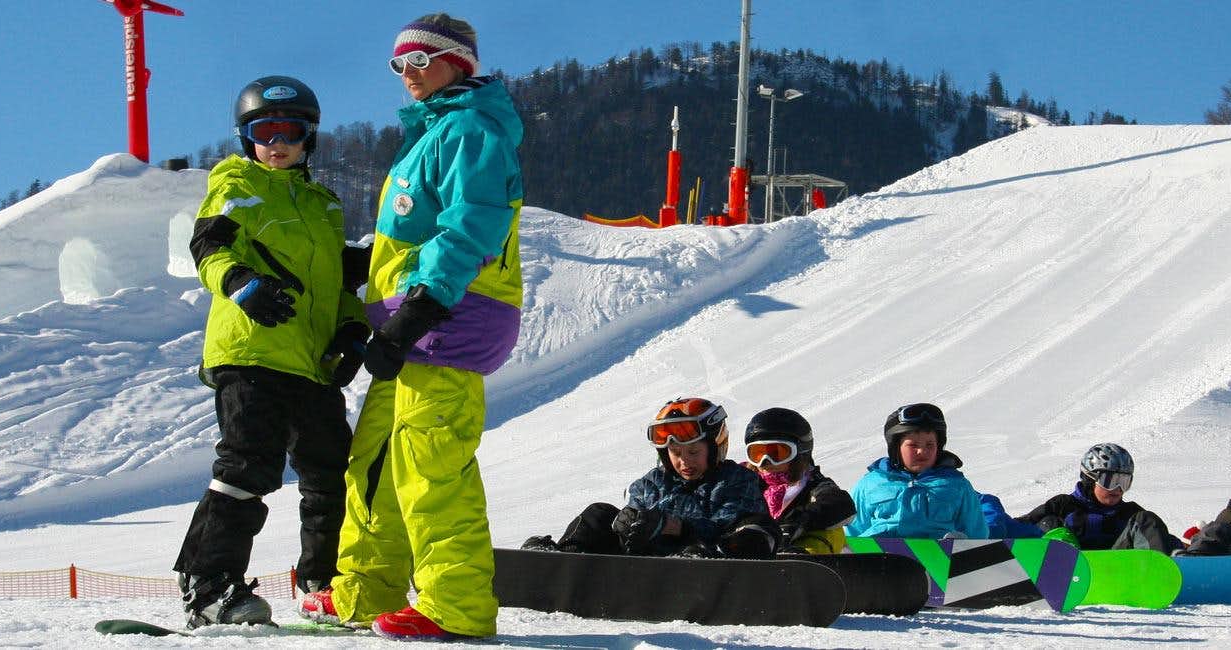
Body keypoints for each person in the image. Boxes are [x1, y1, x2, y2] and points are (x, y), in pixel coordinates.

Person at [301, 13, 525, 641]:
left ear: (459, 62)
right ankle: (365, 589)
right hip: (412, 323)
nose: (408, 75)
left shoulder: (471, 127)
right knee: (373, 460)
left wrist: (424, 303)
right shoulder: (430, 135)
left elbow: (472, 221)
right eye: (399, 65)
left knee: (431, 464)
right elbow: (410, 237)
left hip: (453, 316)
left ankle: (457, 606)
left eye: (420, 61)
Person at [174, 74, 369, 628]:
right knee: (248, 465)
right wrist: (239, 282)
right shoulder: (235, 180)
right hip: (251, 351)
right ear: (247, 139)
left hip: (310, 362)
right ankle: (210, 587)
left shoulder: (324, 204)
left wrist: (352, 331)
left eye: (289, 131)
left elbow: (340, 284)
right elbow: (209, 244)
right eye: (264, 131)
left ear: (310, 137)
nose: (276, 142)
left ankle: (324, 585)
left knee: (333, 471)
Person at [522, 397, 780, 558]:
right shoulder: (651, 483)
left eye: (693, 451)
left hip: (709, 559)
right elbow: (634, 522)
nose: (684, 460)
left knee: (756, 527)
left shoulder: (737, 480)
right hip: (644, 563)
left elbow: (725, 524)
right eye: (675, 453)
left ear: (715, 448)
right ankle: (563, 561)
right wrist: (628, 523)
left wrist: (676, 527)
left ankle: (695, 564)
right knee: (599, 513)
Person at [845, 403, 991, 540]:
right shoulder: (871, 484)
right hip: (880, 560)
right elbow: (852, 531)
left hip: (937, 559)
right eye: (913, 445)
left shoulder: (957, 485)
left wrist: (962, 547)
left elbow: (977, 533)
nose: (922, 451)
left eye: (930, 444)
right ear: (896, 448)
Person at [1016, 443, 1184, 555]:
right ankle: (1061, 564)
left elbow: (1160, 538)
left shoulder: (1130, 513)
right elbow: (1019, 528)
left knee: (1146, 520)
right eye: (1111, 481)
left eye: (1124, 482)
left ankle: (1157, 572)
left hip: (1117, 570)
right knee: (1049, 522)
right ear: (1090, 479)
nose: (1118, 489)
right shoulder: (1063, 505)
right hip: (1072, 573)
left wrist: (1184, 549)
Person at [738, 407, 856, 554]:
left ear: (800, 454)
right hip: (748, 553)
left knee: (832, 532)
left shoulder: (812, 483)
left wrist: (800, 520)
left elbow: (840, 503)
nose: (765, 462)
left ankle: (801, 563)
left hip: (793, 555)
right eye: (757, 453)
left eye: (777, 453)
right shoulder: (741, 481)